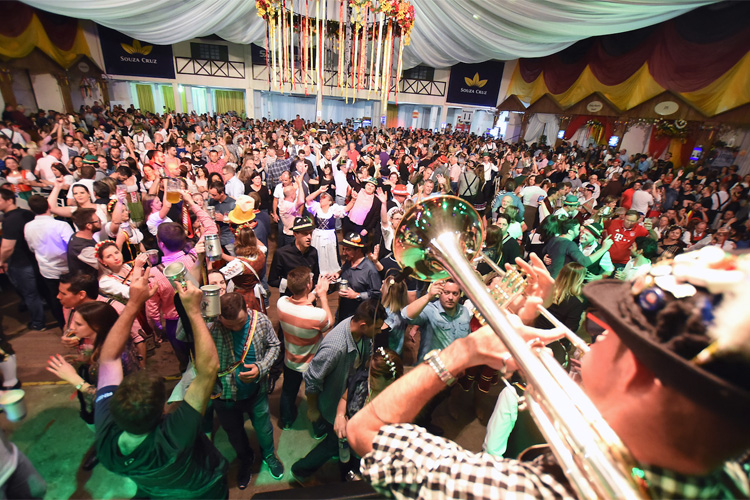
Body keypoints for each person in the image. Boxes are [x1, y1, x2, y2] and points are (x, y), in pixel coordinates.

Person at [349, 249, 750, 499]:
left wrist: (461, 353)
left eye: (615, 331)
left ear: (637, 373)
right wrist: (522, 316)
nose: (599, 335)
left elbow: (366, 430)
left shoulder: (518, 492)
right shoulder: (731, 476)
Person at [93, 267, 229, 499]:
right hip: (205, 490)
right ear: (162, 410)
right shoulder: (174, 436)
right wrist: (194, 312)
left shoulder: (107, 448)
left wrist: (133, 303)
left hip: (155, 491)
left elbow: (108, 359)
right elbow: (209, 371)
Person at [292, 300, 386, 482]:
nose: (380, 332)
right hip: (332, 404)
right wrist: (313, 408)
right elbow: (312, 378)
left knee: (339, 441)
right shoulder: (335, 348)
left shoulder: (359, 331)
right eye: (376, 328)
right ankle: (300, 470)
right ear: (363, 325)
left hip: (346, 396)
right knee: (334, 443)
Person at [46, 300, 140, 471]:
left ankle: (110, 449)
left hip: (115, 413)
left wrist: (75, 380)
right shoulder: (111, 342)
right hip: (96, 405)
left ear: (96, 326)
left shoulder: (114, 357)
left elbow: (114, 398)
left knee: (114, 436)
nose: (72, 327)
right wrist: (84, 359)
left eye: (78, 324)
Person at [209, 293, 283, 488]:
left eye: (240, 323)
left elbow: (274, 345)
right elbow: (185, 338)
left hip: (255, 392)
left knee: (264, 428)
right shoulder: (211, 327)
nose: (236, 328)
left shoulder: (261, 321)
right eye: (229, 325)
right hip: (223, 395)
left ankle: (269, 455)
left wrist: (261, 367)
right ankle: (245, 459)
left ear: (247, 310)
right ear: (219, 316)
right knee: (234, 433)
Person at [335, 347, 404, 481]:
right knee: (344, 473)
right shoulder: (362, 381)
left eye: (376, 376)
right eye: (370, 371)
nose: (370, 378)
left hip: (369, 458)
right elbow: (344, 398)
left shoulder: (396, 408)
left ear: (391, 380)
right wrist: (340, 415)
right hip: (347, 447)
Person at [276, 266, 333, 429]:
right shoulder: (317, 315)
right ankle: (318, 428)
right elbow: (329, 323)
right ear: (308, 285)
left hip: (290, 360)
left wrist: (315, 292)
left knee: (288, 391)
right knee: (315, 396)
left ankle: (286, 421)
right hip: (311, 365)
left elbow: (301, 301)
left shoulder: (281, 304)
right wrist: (323, 295)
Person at [0, 188, 47, 331]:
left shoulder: (10, 221)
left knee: (30, 294)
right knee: (38, 291)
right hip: (34, 258)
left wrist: (1, 261)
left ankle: (38, 323)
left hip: (20, 263)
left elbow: (7, 247)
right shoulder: (26, 213)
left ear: (9, 200)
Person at [402, 279, 472, 363]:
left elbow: (467, 339)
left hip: (456, 365)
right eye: (446, 293)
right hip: (431, 366)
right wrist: (428, 296)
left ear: (460, 295)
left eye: (455, 293)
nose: (450, 297)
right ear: (440, 293)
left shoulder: (464, 311)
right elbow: (405, 315)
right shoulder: (430, 309)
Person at [544, 217, 613, 279]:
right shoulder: (573, 243)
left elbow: (609, 270)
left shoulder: (602, 252)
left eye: (587, 235)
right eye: (582, 232)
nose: (582, 235)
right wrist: (547, 258)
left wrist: (597, 278)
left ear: (595, 238)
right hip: (565, 282)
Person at [217, 224, 266, 312]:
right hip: (254, 294)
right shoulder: (261, 252)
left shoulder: (238, 265)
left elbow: (218, 276)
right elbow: (242, 260)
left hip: (242, 297)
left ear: (237, 242)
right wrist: (249, 233)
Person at [336, 232, 382, 321]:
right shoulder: (348, 263)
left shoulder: (370, 270)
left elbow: (377, 294)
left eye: (348, 250)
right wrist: (337, 274)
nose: (344, 253)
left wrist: (357, 295)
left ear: (358, 250)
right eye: (343, 249)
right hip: (343, 313)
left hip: (360, 317)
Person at [268, 216, 320, 295]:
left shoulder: (313, 252)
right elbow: (272, 280)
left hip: (308, 298)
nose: (309, 237)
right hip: (289, 298)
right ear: (295, 234)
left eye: (310, 233)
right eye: (305, 234)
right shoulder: (282, 254)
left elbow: (316, 276)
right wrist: (294, 286)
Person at [305, 190, 348, 275]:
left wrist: (353, 200)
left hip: (329, 236)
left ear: (330, 202)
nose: (321, 199)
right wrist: (319, 190)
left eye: (324, 198)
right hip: (318, 235)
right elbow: (308, 199)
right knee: (318, 253)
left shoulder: (333, 210)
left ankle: (330, 273)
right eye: (321, 198)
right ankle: (318, 271)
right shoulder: (316, 208)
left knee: (330, 253)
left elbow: (346, 209)